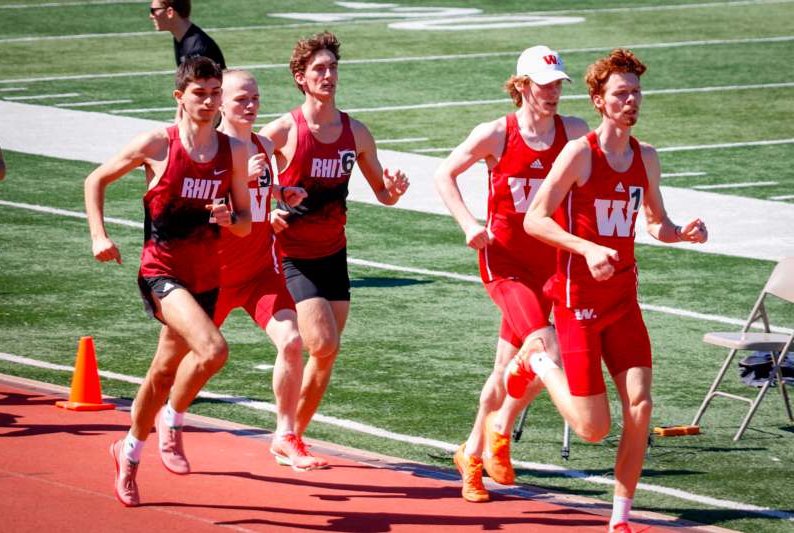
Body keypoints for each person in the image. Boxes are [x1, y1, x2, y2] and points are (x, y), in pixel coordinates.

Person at [511, 48, 708, 533]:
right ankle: (537, 361)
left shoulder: (646, 158)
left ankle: (619, 517)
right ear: (599, 101)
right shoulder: (579, 154)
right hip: (578, 305)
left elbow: (655, 223)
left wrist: (681, 232)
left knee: (641, 405)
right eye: (621, 94)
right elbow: (535, 219)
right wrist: (587, 248)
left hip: (623, 301)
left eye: (636, 93)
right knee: (592, 428)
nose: (632, 101)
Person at [84, 57, 251, 507]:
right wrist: (100, 235)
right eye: (200, 93)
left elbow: (245, 223)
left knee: (160, 373)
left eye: (216, 93)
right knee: (213, 350)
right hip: (161, 271)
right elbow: (95, 179)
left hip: (206, 276)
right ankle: (174, 419)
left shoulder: (232, 151)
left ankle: (128, 453)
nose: (210, 101)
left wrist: (227, 217)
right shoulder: (158, 144)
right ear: (180, 97)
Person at [434, 45, 588, 503]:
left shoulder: (573, 132)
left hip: (551, 264)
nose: (554, 92)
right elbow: (445, 174)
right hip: (503, 261)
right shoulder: (496, 133)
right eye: (545, 84)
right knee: (547, 350)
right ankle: (497, 435)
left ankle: (474, 453)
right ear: (522, 86)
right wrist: (468, 224)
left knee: (505, 370)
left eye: (559, 84)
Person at [160, 69, 328, 474]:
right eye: (241, 100)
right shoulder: (209, 152)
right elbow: (190, 208)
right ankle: (171, 417)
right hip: (211, 275)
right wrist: (232, 187)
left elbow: (257, 199)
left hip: (258, 273)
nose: (251, 106)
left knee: (291, 341)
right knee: (176, 362)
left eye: (254, 98)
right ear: (219, 104)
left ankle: (285, 436)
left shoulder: (261, 144)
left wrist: (280, 195)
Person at [260, 31, 410, 441]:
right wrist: (267, 206)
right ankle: (285, 432)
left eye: (333, 68)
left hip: (333, 254)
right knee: (322, 343)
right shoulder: (284, 131)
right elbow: (241, 172)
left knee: (325, 355)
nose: (328, 76)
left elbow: (384, 193)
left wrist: (394, 189)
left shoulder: (356, 133)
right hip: (291, 255)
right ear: (300, 78)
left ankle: (292, 437)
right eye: (319, 70)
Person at [149, 0, 226, 69]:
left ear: (170, 12)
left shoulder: (196, 49)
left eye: (153, 11)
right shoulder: (181, 37)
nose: (151, 16)